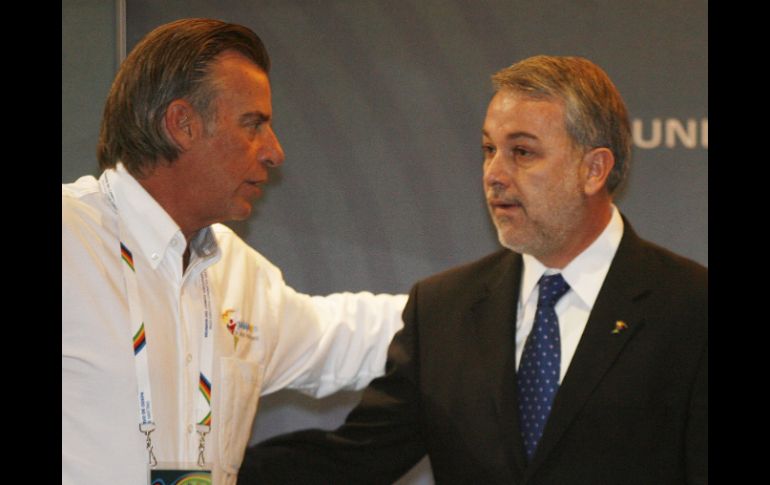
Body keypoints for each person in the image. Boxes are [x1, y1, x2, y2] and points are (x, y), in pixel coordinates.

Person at [237, 55, 708, 484]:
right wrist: (195, 474)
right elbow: (349, 461)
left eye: (522, 152)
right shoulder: (443, 309)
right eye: (488, 150)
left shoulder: (690, 308)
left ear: (594, 169)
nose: (494, 174)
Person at [62, 18, 407, 485]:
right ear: (182, 124)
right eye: (254, 125)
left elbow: (348, 338)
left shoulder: (239, 274)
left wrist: (499, 295)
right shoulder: (71, 238)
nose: (275, 152)